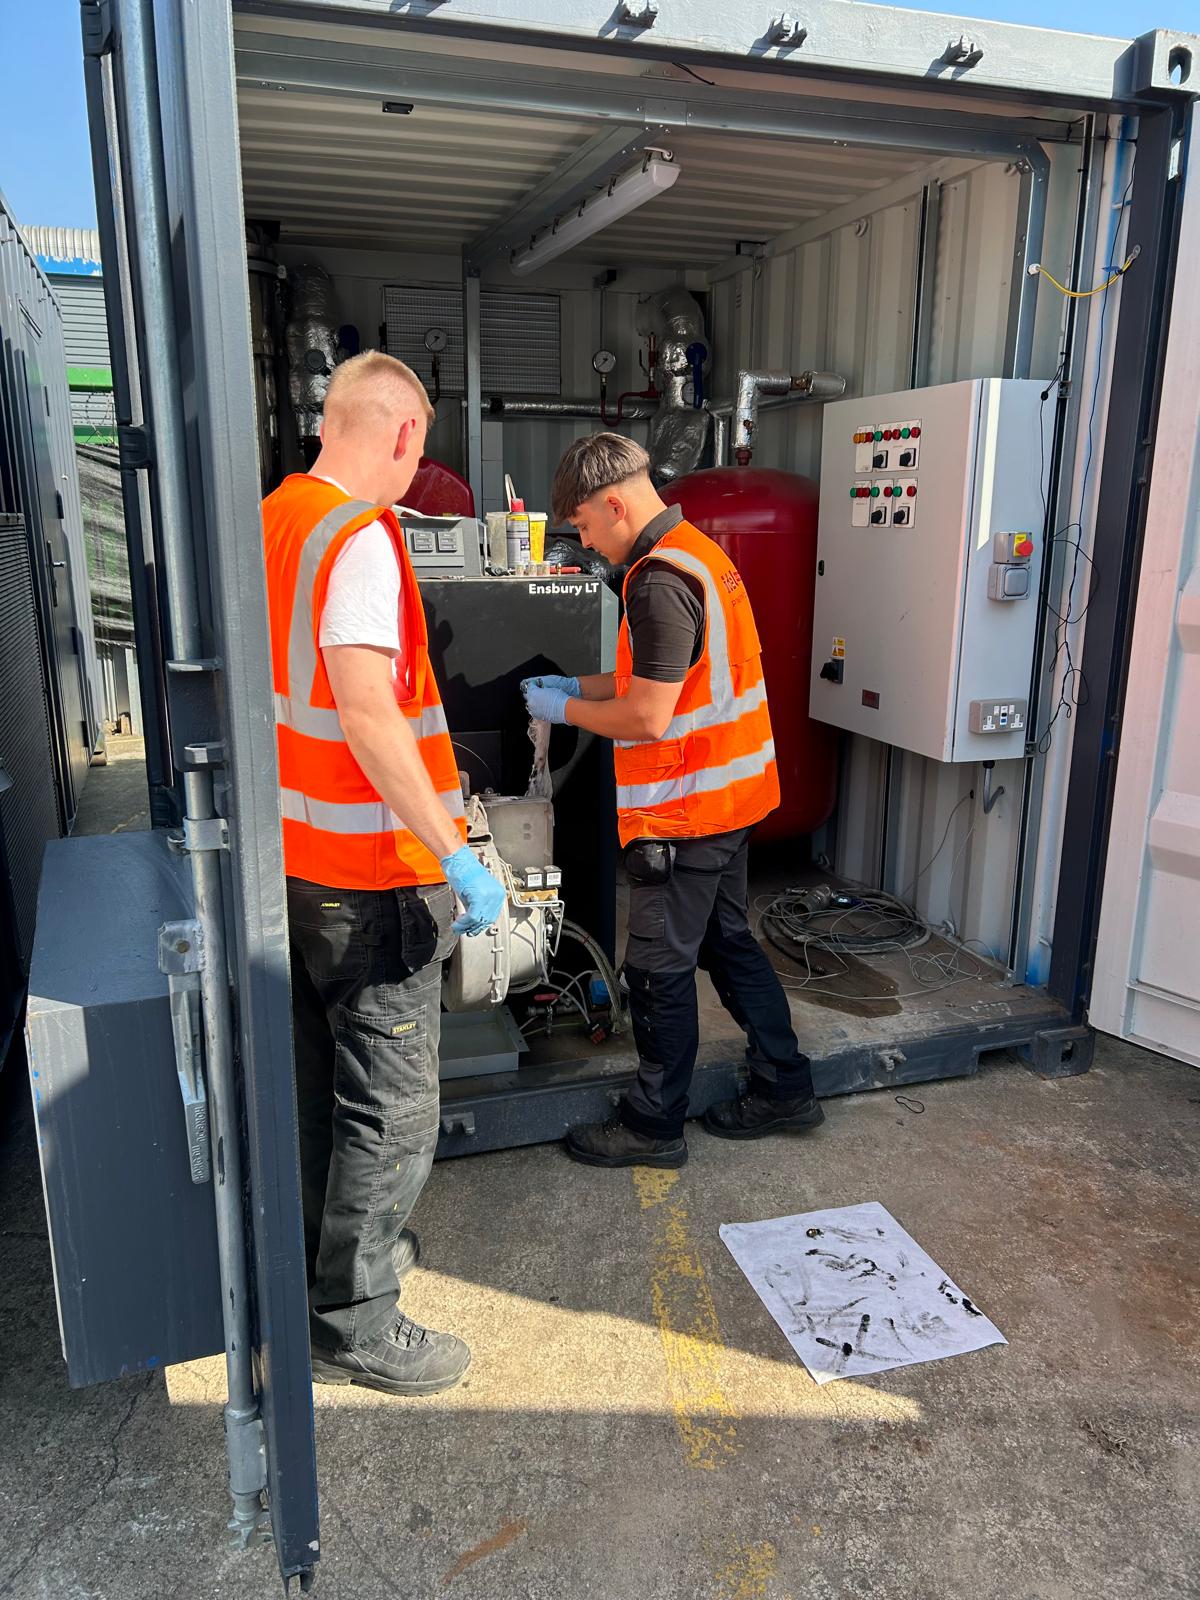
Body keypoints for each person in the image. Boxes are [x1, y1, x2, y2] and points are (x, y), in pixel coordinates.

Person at [262, 351, 506, 1395]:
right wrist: (455, 852)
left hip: (298, 868)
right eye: (422, 450)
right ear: (404, 435)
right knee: (394, 1110)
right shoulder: (359, 537)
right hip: (371, 878)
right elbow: (367, 710)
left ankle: (324, 1280)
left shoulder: (278, 516)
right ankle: (359, 1318)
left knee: (326, 1094)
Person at [523, 434, 823, 1169]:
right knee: (725, 943)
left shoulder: (658, 581)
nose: (585, 542)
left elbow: (649, 716)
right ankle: (785, 1085)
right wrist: (577, 686)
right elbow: (655, 677)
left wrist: (563, 712)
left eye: (585, 526)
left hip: (686, 815)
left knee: (656, 970)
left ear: (615, 503)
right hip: (730, 800)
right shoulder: (700, 553)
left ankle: (654, 1124)